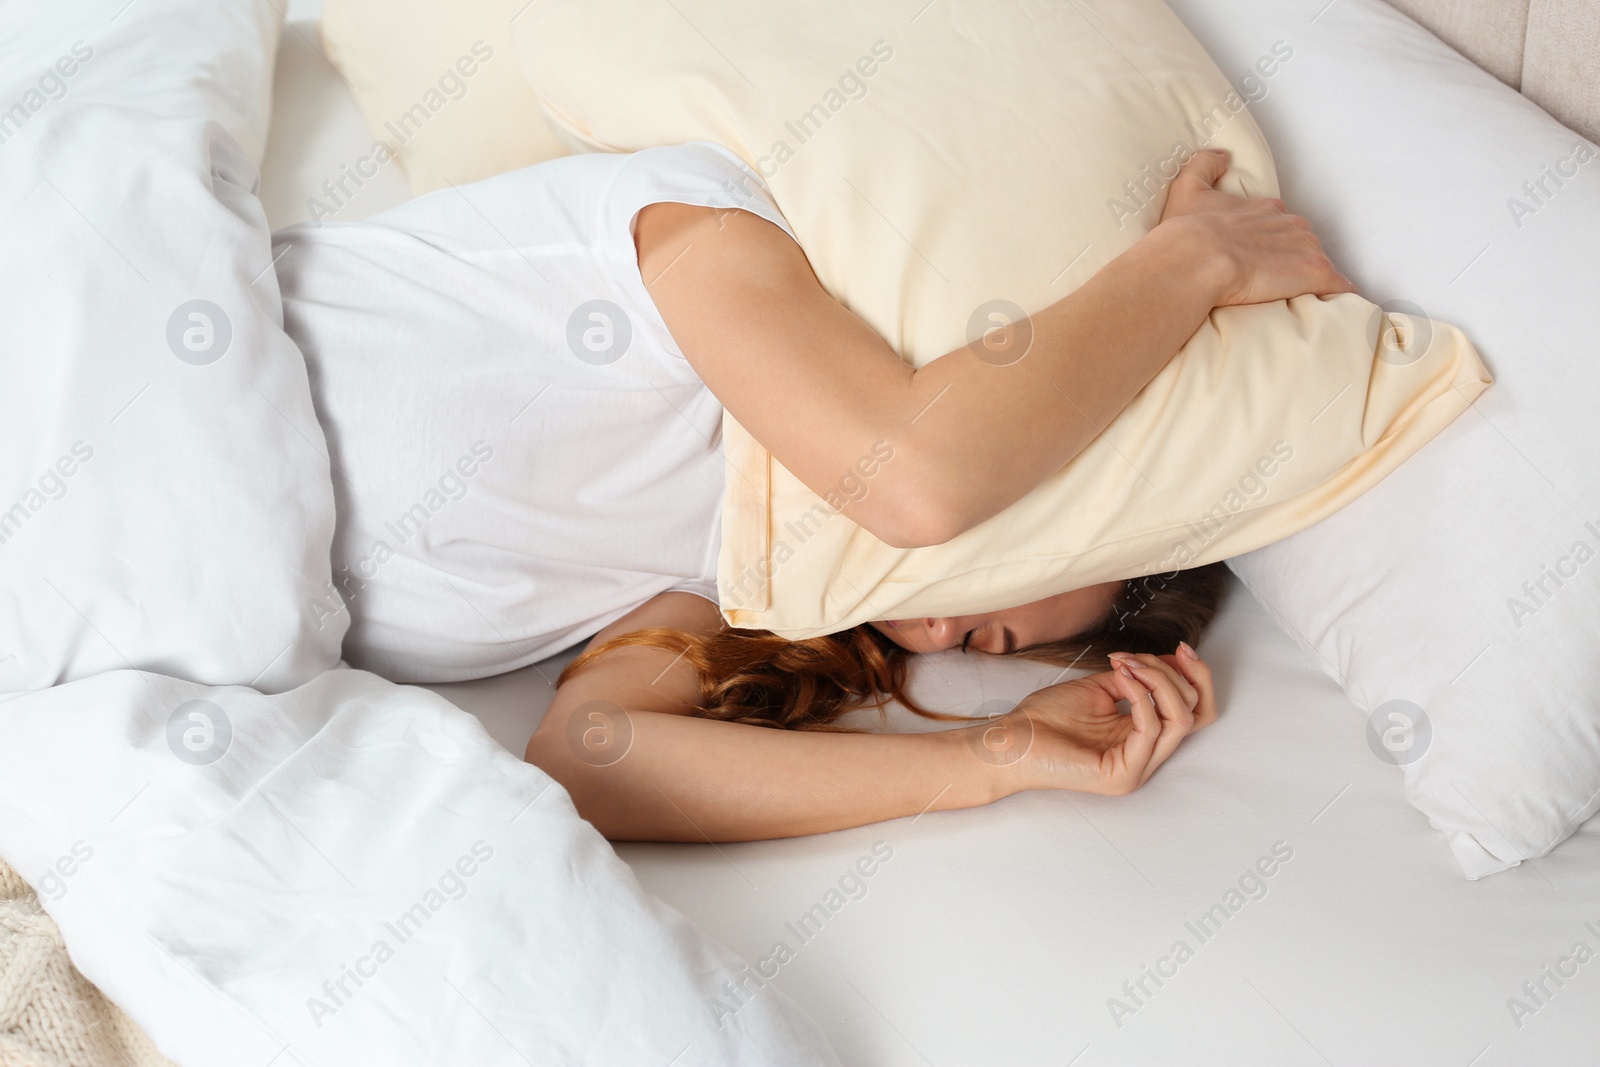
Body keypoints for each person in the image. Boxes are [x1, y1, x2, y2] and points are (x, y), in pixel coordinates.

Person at [512, 145, 1352, 842]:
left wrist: (998, 753)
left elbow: (584, 761)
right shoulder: (706, 220)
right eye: (989, 563)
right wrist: (1192, 261)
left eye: (985, 639)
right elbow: (915, 482)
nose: (941, 627)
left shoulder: (755, 584)